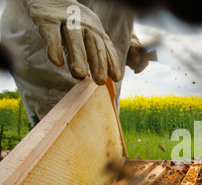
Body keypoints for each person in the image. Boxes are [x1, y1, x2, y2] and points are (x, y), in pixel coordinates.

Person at [1, 0, 151, 125]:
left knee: (105, 128)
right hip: (51, 30)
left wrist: (131, 36)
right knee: (63, 135)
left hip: (108, 41)